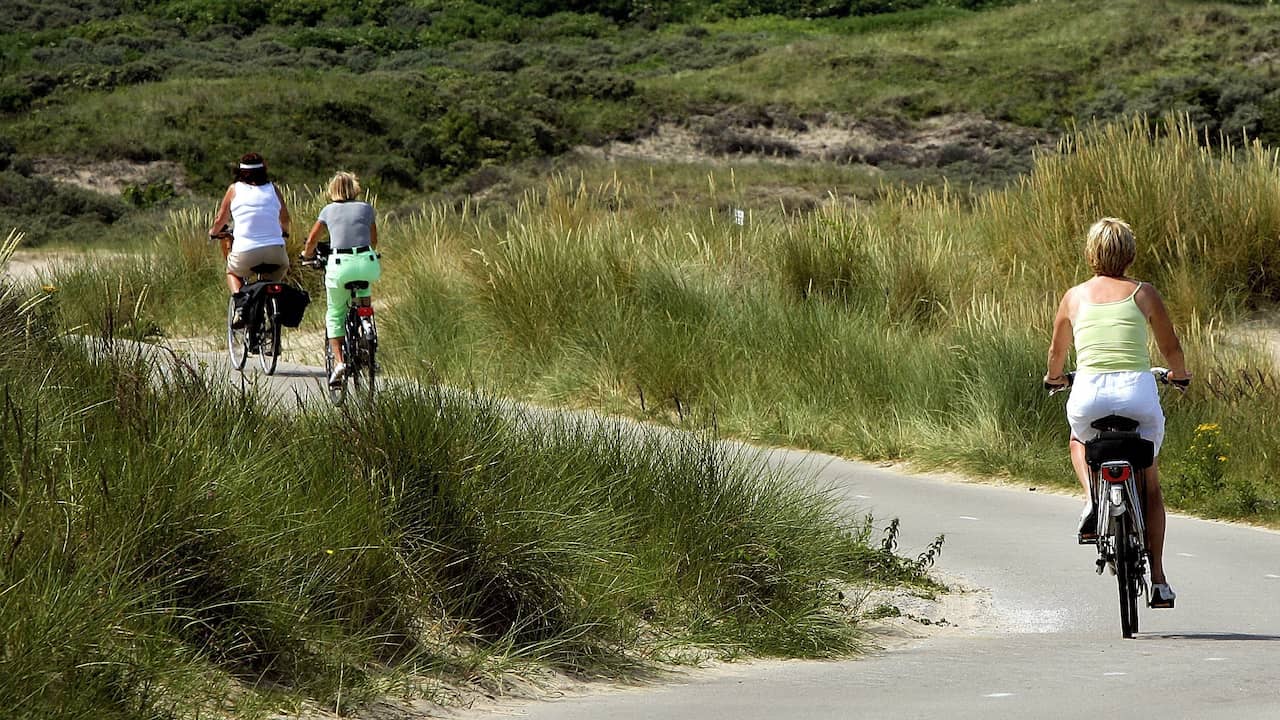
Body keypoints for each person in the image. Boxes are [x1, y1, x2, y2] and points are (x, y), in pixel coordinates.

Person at [1044, 217, 1190, 609]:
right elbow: (1170, 347)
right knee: (1151, 483)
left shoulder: (1074, 297)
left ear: (1090, 253)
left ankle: (1093, 500)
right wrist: (1179, 374)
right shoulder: (1144, 294)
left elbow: (1057, 352)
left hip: (1089, 395)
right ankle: (1158, 579)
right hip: (1137, 395)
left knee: (1078, 440)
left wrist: (1054, 378)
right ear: (1130, 254)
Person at [300, 171, 381, 387]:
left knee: (335, 313)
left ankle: (339, 362)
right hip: (367, 263)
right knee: (363, 297)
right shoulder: (366, 208)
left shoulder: (328, 211)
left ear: (332, 190)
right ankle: (367, 333)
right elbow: (373, 240)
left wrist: (307, 256)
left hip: (340, 266)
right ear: (355, 189)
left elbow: (312, 241)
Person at [208, 152, 291, 327]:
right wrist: (283, 232)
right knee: (272, 279)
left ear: (240, 172)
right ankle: (271, 313)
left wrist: (213, 232)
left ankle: (240, 305)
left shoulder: (234, 189)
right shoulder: (273, 189)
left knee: (232, 272)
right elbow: (285, 218)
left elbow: (220, 219)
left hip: (246, 251)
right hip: (276, 251)